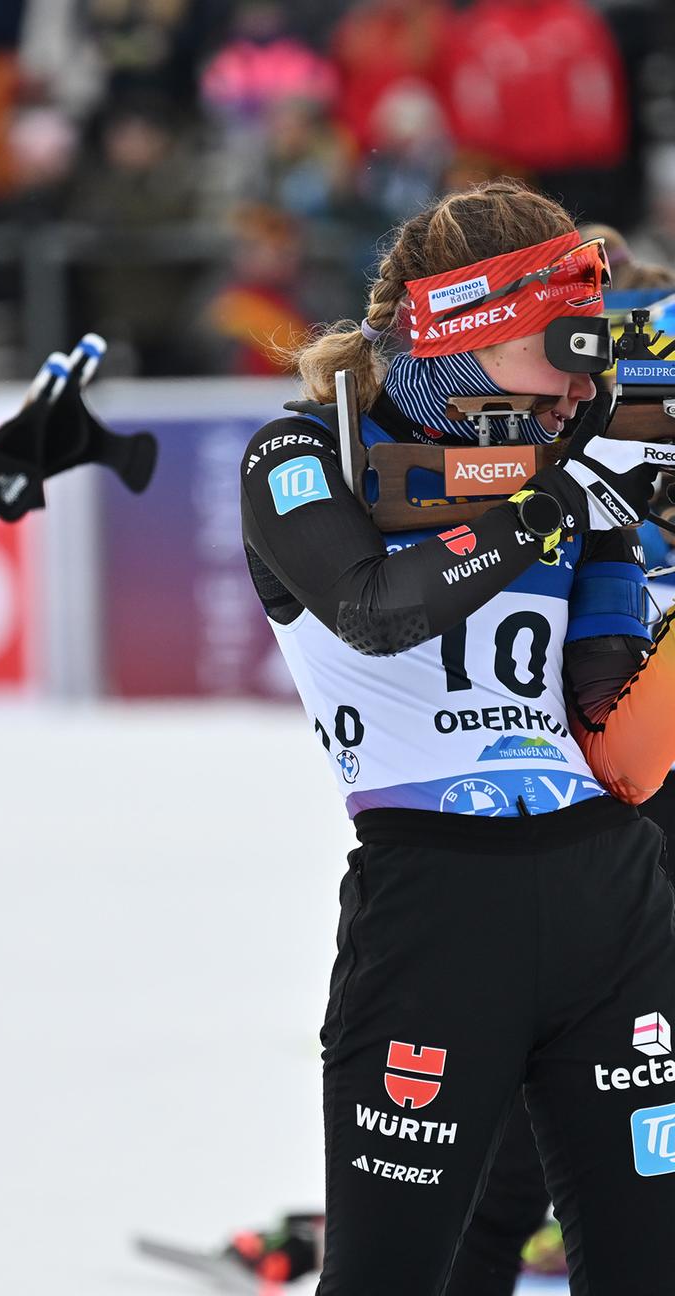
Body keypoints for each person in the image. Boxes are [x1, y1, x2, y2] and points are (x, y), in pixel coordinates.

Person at [240, 179, 675, 1294]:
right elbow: (376, 609)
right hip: (435, 907)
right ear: (471, 335)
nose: (584, 387)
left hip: (609, 898)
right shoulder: (301, 456)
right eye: (562, 354)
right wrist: (543, 508)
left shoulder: (574, 456)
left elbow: (615, 735)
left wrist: (630, 555)